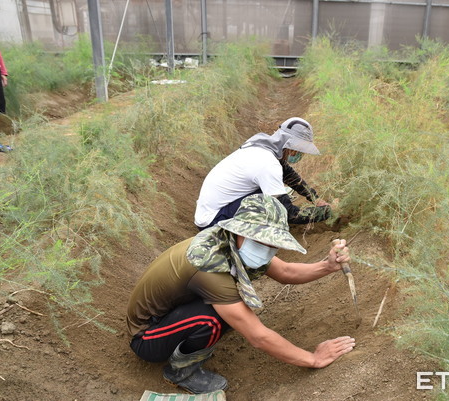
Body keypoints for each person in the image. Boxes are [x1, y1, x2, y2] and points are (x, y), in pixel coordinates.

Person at [127, 194, 355, 394]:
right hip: (148, 336)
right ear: (240, 230)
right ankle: (180, 373)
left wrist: (328, 266)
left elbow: (285, 271)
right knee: (215, 318)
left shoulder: (231, 241)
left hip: (174, 312)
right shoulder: (208, 264)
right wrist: (313, 359)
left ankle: (190, 340)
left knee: (230, 308)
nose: (265, 249)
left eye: (271, 244)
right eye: (259, 241)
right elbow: (258, 336)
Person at [194, 117, 332, 229]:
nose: (299, 154)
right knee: (272, 204)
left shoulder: (262, 148)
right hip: (214, 223)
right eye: (300, 150)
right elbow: (287, 214)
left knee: (272, 195)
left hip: (211, 212)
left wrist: (315, 198)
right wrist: (327, 212)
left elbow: (288, 174)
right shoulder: (267, 164)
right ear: (293, 148)